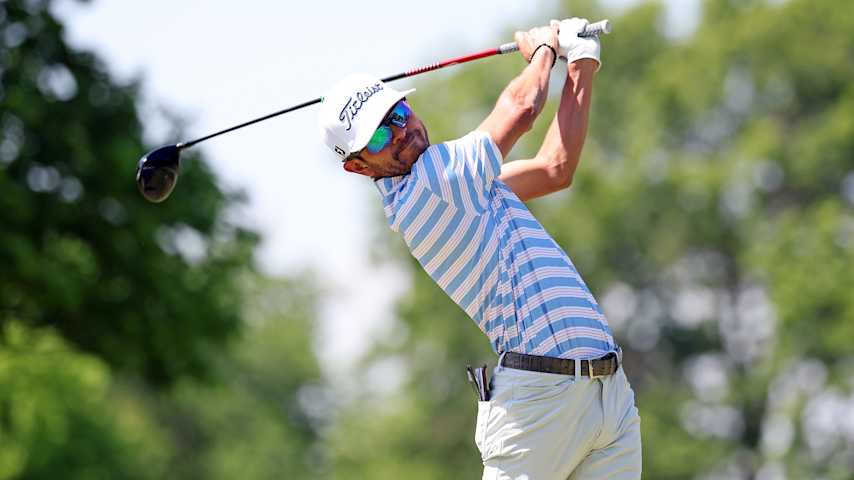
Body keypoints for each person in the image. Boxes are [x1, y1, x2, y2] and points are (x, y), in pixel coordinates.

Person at [318, 18, 641, 480]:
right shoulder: (432, 185)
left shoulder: (462, 187)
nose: (401, 131)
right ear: (358, 167)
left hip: (607, 393)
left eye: (398, 114)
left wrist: (581, 61)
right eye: (380, 137)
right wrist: (545, 49)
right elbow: (522, 108)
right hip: (538, 405)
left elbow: (555, 168)